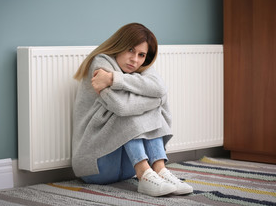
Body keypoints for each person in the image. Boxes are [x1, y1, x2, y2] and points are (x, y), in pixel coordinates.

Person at [72, 23, 193, 197]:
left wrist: (114, 78)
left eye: (141, 55)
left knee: (139, 105)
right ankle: (145, 174)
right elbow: (121, 106)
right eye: (130, 50)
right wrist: (156, 100)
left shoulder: (140, 66)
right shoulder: (100, 62)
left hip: (127, 166)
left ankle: (159, 169)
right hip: (95, 164)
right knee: (131, 108)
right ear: (119, 45)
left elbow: (160, 89)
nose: (135, 60)